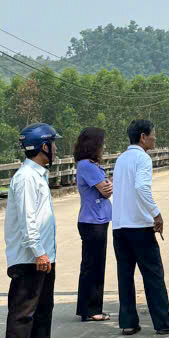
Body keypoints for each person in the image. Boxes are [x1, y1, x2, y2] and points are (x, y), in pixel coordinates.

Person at [111, 119, 169, 336]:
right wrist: (156, 213)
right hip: (139, 226)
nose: (155, 138)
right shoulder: (142, 158)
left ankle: (128, 322)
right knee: (153, 275)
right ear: (143, 137)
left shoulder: (121, 159)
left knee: (125, 275)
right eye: (153, 134)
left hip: (120, 226)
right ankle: (163, 321)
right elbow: (141, 187)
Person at [3, 123, 64, 338]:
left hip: (43, 254)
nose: (56, 148)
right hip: (30, 256)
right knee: (23, 310)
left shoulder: (38, 174)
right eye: (53, 143)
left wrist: (46, 253)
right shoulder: (27, 178)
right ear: (43, 147)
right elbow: (28, 219)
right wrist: (38, 252)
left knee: (43, 307)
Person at [74, 127, 113, 322]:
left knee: (96, 265)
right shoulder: (87, 166)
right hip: (92, 221)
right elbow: (106, 190)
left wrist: (106, 184)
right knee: (92, 266)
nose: (103, 148)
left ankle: (90, 307)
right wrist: (106, 184)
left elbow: (106, 186)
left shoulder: (91, 166)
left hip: (98, 219)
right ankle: (90, 309)